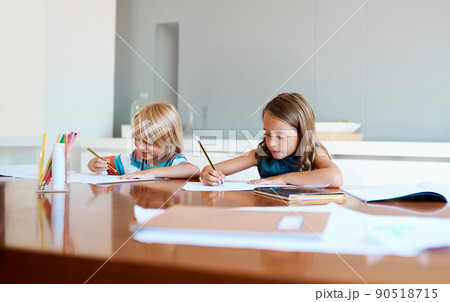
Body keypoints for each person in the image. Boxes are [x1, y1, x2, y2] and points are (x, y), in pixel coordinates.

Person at [201, 92, 343, 187]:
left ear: (302, 134)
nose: (271, 143)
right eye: (267, 134)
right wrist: (210, 175)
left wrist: (284, 179)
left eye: (280, 136)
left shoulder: (314, 152)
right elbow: (211, 169)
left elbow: (335, 178)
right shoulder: (261, 154)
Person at [88, 102, 200, 179]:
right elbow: (100, 161)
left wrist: (150, 173)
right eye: (137, 138)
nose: (140, 146)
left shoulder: (173, 161)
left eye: (148, 142)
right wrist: (94, 165)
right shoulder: (132, 159)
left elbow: (194, 171)